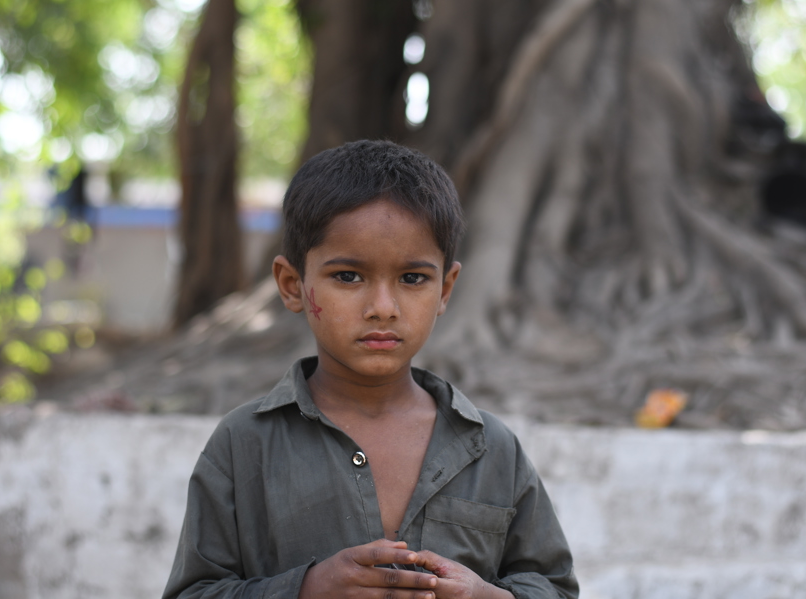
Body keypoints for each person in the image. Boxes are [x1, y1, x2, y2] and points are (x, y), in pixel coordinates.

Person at [162, 140, 578, 599]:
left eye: (413, 278)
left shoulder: (491, 449)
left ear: (445, 289)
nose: (383, 308)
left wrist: (486, 596)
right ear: (292, 284)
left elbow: (554, 588)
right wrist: (304, 590)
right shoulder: (244, 445)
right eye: (348, 276)